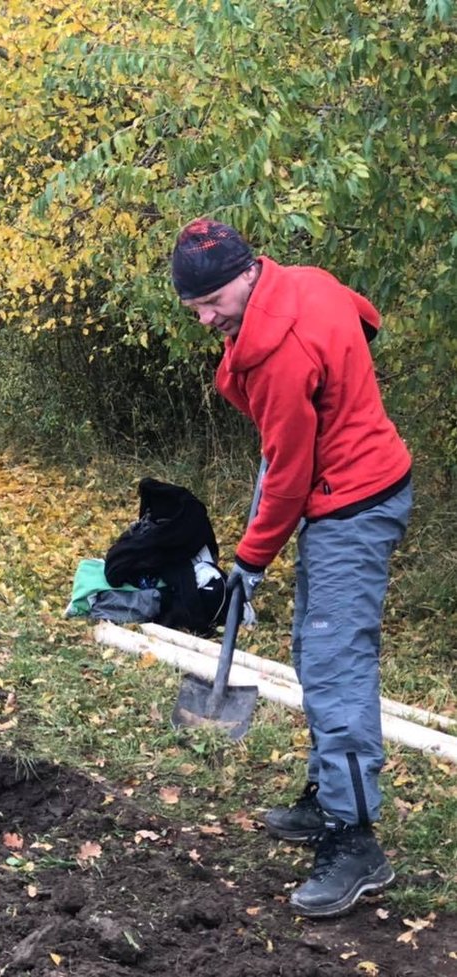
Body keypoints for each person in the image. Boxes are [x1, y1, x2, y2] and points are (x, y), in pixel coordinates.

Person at [170, 219, 412, 918]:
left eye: (213, 302)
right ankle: (326, 796)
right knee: (314, 646)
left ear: (245, 273)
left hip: (353, 502)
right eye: (196, 309)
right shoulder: (305, 283)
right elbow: (364, 317)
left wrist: (250, 558)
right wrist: (330, 392)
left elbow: (290, 474)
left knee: (337, 664)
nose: (208, 318)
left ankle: (355, 838)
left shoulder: (278, 355)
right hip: (350, 485)